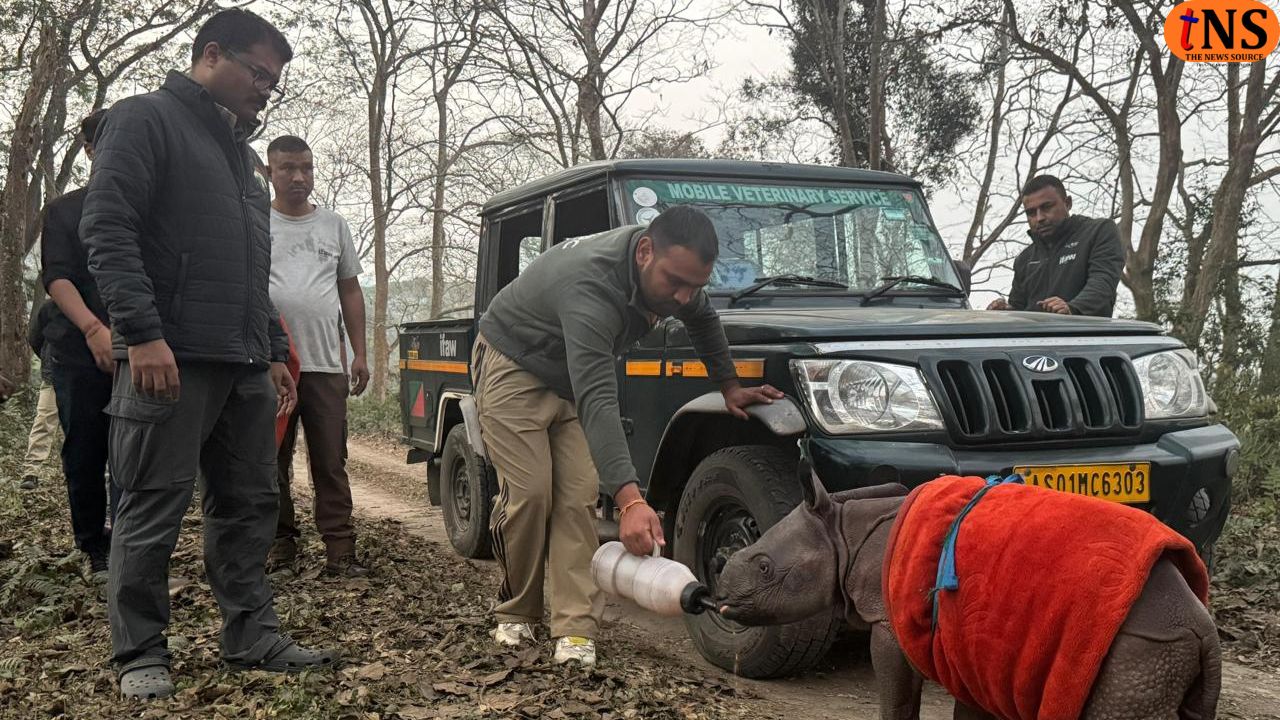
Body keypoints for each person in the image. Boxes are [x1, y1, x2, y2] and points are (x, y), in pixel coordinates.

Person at [80, 8, 336, 700]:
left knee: (250, 501)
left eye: (274, 82)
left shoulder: (241, 158)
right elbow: (105, 226)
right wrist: (144, 333)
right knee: (151, 505)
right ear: (211, 55)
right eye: (258, 73)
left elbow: (253, 266)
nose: (265, 90)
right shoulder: (143, 120)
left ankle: (250, 634)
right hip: (169, 357)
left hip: (243, 362)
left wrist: (275, 349)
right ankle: (140, 653)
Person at [472, 205, 782, 666]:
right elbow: (599, 398)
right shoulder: (591, 287)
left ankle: (574, 628)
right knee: (531, 494)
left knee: (576, 499)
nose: (682, 296)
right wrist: (632, 502)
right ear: (643, 252)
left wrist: (729, 385)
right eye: (674, 282)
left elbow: (704, 320)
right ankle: (517, 610)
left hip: (571, 382)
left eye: (694, 286)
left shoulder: (677, 276)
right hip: (514, 364)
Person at [264, 134, 370, 577]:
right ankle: (279, 548)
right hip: (273, 365)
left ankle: (340, 553)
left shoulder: (334, 226)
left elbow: (350, 289)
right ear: (270, 172)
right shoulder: (255, 222)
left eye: (306, 167)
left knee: (330, 460)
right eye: (288, 168)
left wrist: (359, 354)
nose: (299, 177)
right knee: (271, 460)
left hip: (327, 364)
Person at [39, 109, 121, 576]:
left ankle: (130, 540)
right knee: (86, 447)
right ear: (90, 150)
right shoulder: (66, 210)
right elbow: (58, 277)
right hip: (77, 349)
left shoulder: (147, 209)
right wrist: (93, 329)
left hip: (140, 349)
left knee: (133, 452)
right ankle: (94, 545)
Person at [987, 175, 1125, 317]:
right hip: (1034, 338)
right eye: (1031, 213)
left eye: (1046, 207)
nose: (1039, 218)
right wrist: (1006, 312)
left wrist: (1073, 308)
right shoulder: (1024, 259)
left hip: (1086, 336)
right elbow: (1019, 308)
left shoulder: (1098, 231)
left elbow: (1103, 282)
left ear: (1068, 203)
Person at [19, 296, 60, 490]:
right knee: (44, 420)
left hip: (85, 376)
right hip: (53, 375)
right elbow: (34, 338)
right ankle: (31, 471)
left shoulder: (94, 301)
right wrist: (47, 360)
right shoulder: (49, 307)